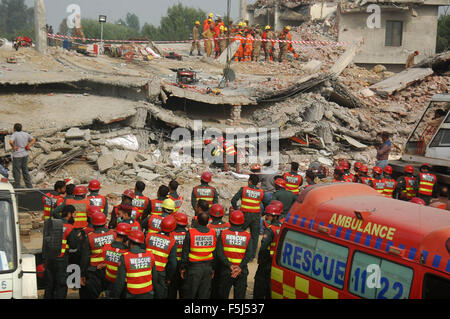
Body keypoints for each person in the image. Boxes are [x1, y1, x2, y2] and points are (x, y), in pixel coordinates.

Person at [44, 205, 81, 299]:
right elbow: (74, 245)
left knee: (50, 284)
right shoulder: (69, 228)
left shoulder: (52, 224)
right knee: (61, 284)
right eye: (74, 214)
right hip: (61, 259)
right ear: (69, 214)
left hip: (49, 259)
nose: (75, 216)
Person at [216, 210, 253, 299]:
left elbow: (219, 253)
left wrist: (230, 266)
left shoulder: (223, 234)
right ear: (242, 222)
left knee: (222, 295)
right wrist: (239, 267)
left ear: (230, 221)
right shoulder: (247, 235)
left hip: (226, 270)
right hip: (241, 271)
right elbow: (249, 254)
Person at [110, 230, 157, 299]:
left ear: (129, 241)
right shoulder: (150, 255)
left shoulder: (125, 257)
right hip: (148, 293)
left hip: (132, 294)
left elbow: (120, 280)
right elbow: (155, 276)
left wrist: (115, 296)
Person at [180, 212, 217, 299]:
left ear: (197, 221)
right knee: (204, 294)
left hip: (194, 268)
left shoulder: (191, 232)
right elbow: (214, 252)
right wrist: (213, 268)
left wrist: (183, 268)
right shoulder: (212, 232)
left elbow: (185, 252)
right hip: (208, 268)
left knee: (190, 294)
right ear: (208, 222)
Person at [80, 212, 116, 299]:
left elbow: (85, 258)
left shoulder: (89, 237)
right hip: (110, 269)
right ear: (105, 223)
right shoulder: (113, 234)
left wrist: (82, 274)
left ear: (93, 224)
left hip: (95, 271)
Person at [231, 174, 264, 260]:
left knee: (239, 233)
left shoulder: (244, 189)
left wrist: (236, 210)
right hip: (256, 216)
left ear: (249, 181)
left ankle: (237, 252)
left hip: (244, 215)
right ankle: (251, 256)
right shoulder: (261, 192)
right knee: (254, 236)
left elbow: (233, 200)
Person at [253, 205, 282, 299]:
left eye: (268, 215)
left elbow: (263, 247)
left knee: (260, 285)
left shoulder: (270, 230)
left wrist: (260, 260)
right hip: (277, 261)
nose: (266, 217)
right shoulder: (282, 228)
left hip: (267, 261)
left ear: (275, 216)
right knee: (271, 285)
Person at [145, 215, 177, 299]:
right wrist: (169, 278)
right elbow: (173, 264)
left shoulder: (149, 236)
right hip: (160, 274)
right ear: (173, 229)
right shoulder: (172, 242)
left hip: (146, 270)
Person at [207, 203, 230, 299]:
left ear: (211, 214)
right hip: (225, 256)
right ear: (222, 215)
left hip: (212, 257)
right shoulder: (228, 226)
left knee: (212, 281)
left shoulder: (208, 227)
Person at [102, 223, 131, 290]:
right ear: (126, 237)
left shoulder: (106, 247)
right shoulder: (127, 252)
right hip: (122, 284)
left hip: (108, 280)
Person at [168, 212, 189, 299]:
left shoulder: (171, 234)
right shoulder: (189, 234)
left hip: (174, 266)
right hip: (185, 266)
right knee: (183, 291)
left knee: (171, 291)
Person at [9, 123, 36, 188]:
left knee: (17, 171)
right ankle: (29, 186)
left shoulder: (14, 134)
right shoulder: (25, 134)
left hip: (17, 155)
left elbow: (10, 142)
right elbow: (33, 139)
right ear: (21, 128)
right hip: (25, 155)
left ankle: (17, 186)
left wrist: (14, 147)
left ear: (14, 129)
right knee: (25, 170)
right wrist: (28, 145)